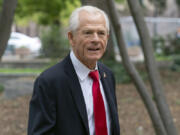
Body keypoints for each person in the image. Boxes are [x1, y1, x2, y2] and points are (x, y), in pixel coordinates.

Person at [28, 5, 120, 135]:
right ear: (71, 38)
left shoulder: (108, 76)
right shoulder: (49, 82)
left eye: (101, 33)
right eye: (88, 33)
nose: (96, 39)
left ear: (107, 37)